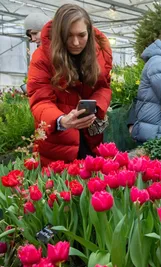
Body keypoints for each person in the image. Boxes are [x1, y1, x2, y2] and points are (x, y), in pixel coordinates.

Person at [27, 4, 112, 166]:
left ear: (89, 33)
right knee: (62, 186)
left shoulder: (99, 53)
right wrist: (62, 120)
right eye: (68, 36)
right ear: (60, 34)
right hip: (58, 139)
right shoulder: (42, 57)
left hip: (90, 135)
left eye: (81, 35)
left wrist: (95, 107)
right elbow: (39, 100)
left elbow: (104, 87)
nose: (75, 42)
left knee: (93, 183)